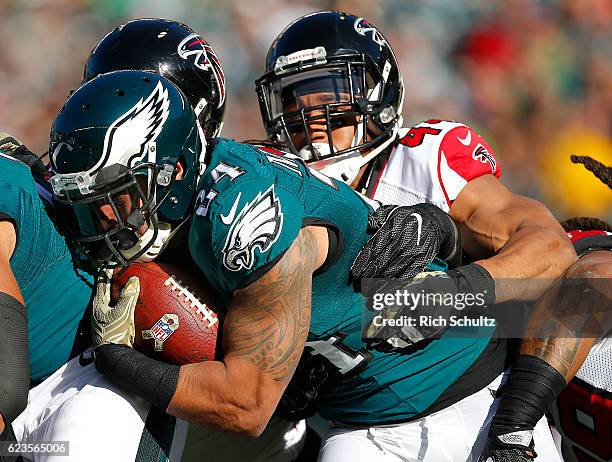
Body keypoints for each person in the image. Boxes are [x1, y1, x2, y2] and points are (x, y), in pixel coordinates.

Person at [46, 69, 460, 458]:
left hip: (444, 392)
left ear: (174, 170)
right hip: (355, 412)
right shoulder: (199, 190)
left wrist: (115, 356)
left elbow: (245, 405)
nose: (102, 220)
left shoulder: (239, 218)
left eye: (117, 196)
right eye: (86, 204)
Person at [254, 10, 577, 461]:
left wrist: (452, 293)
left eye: (327, 95)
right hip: (358, 430)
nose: (311, 120)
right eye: (293, 103)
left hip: (478, 399)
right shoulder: (271, 190)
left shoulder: (424, 158)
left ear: (377, 97)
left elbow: (549, 248)